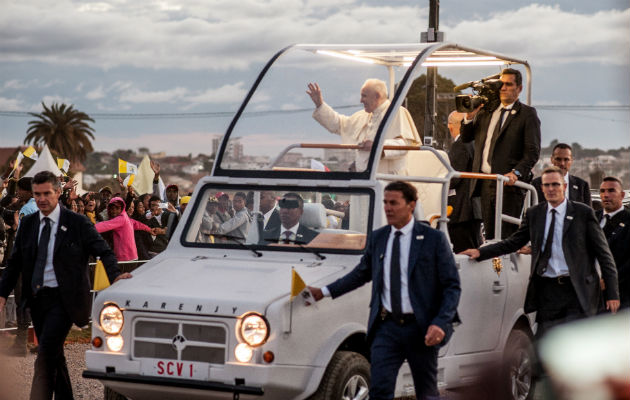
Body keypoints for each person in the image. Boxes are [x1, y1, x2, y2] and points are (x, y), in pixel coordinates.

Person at [308, 181, 461, 400]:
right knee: (379, 390)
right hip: (386, 328)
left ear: (411, 205)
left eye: (394, 203)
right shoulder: (379, 238)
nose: (388, 208)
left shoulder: (432, 239)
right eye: (385, 203)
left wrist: (440, 322)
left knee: (426, 392)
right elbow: (361, 274)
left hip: (421, 328)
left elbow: (451, 286)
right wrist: (324, 291)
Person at [0, 171, 132, 400]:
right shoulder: (29, 223)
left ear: (58, 193)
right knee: (54, 356)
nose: (41, 199)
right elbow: (15, 263)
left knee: (44, 355)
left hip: (65, 300)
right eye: (37, 194)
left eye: (47, 194)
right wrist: (2, 294)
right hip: (37, 299)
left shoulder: (76, 223)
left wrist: (115, 276)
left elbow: (104, 251)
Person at [461, 167, 619, 338]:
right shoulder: (535, 214)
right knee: (545, 346)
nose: (551, 189)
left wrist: (612, 293)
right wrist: (480, 252)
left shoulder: (583, 213)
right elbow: (513, 242)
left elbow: (604, 255)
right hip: (547, 291)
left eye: (555, 184)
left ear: (564, 186)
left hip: (576, 290)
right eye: (547, 185)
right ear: (541, 188)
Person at [460, 68, 541, 239]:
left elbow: (532, 152)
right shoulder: (486, 112)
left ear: (519, 89)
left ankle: (503, 265)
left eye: (508, 85)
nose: (503, 88)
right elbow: (466, 138)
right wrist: (469, 116)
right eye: (500, 84)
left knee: (505, 235)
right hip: (485, 182)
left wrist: (516, 173)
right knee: (489, 234)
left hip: (508, 185)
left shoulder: (527, 114)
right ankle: (492, 265)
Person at [306, 79, 421, 175]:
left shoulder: (396, 112)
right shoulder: (363, 116)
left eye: (364, 96)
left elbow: (406, 144)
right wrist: (320, 104)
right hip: (363, 180)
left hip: (388, 183)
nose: (361, 100)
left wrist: (376, 146)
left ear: (377, 96)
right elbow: (339, 125)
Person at [446, 111, 482, 253]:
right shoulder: (475, 145)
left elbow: (454, 178)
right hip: (473, 209)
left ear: (450, 127)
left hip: (461, 211)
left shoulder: (460, 145)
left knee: (463, 252)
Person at [595, 177, 629, 309]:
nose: (606, 195)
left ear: (622, 195)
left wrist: (610, 281)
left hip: (621, 292)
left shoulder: (628, 220)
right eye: (602, 191)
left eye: (611, 191)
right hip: (592, 292)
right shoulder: (592, 217)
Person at [95, 197, 158, 262]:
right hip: (132, 257)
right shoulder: (126, 218)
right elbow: (137, 224)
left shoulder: (120, 219)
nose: (114, 211)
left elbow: (104, 225)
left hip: (124, 258)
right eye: (112, 208)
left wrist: (88, 229)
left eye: (117, 208)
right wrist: (149, 229)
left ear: (122, 209)